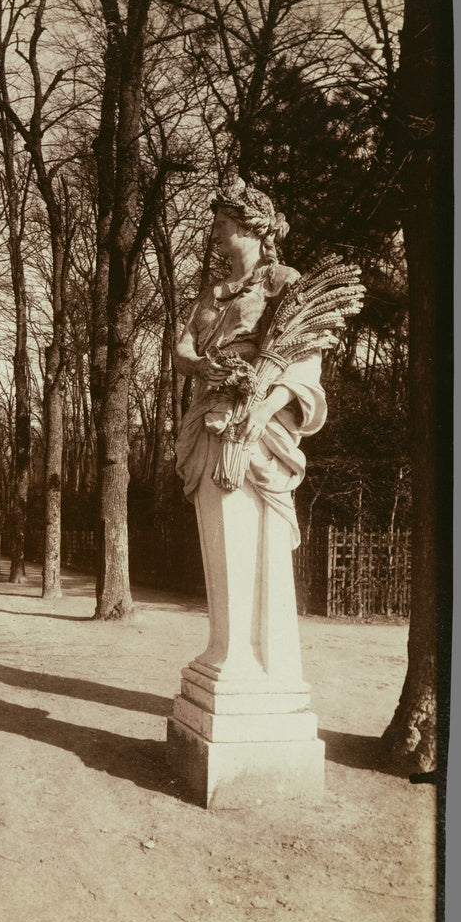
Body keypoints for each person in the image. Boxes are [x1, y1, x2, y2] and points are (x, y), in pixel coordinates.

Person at [173, 181, 327, 687]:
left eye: (222, 224)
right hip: (210, 417)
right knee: (217, 543)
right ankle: (224, 648)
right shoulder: (211, 292)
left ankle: (250, 658)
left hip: (255, 424)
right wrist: (200, 369)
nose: (214, 233)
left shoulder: (284, 280)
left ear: (252, 227)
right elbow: (182, 349)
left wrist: (262, 409)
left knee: (249, 542)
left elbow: (303, 357)